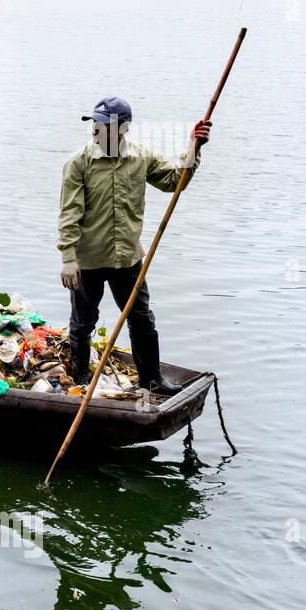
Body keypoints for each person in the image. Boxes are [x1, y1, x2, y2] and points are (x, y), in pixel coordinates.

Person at [56, 97, 212, 396]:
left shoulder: (140, 157)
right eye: (95, 124)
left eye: (104, 125)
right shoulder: (79, 162)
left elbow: (172, 181)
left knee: (141, 318)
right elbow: (69, 213)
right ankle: (80, 380)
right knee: (83, 322)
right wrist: (68, 258)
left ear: (123, 129)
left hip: (127, 257)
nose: (96, 131)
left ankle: (151, 379)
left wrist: (194, 147)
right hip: (87, 259)